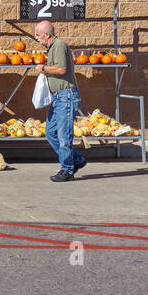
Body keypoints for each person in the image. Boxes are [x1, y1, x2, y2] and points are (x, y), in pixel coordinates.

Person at [34, 20, 87, 182]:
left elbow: (61, 69)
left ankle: (67, 170)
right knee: (51, 132)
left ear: (47, 34)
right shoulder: (52, 48)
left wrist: (43, 68)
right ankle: (76, 159)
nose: (37, 38)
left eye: (38, 35)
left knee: (64, 135)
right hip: (58, 97)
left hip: (66, 96)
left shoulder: (58, 45)